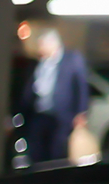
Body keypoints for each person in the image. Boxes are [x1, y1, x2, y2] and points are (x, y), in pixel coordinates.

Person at [22, 24, 90, 164]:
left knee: (57, 152)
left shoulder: (71, 59)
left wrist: (81, 112)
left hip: (61, 116)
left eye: (42, 45)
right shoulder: (40, 63)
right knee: (37, 152)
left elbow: (81, 86)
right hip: (39, 114)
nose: (40, 49)